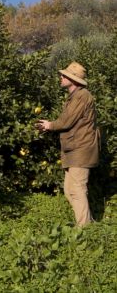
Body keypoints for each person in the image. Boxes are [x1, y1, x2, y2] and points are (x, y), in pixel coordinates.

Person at [36, 61, 100, 227]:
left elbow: (66, 121)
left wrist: (50, 125)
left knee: (77, 189)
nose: (61, 77)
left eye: (65, 75)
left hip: (81, 148)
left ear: (74, 79)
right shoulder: (74, 96)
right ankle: (87, 222)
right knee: (69, 190)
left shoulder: (82, 96)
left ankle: (85, 229)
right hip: (73, 149)